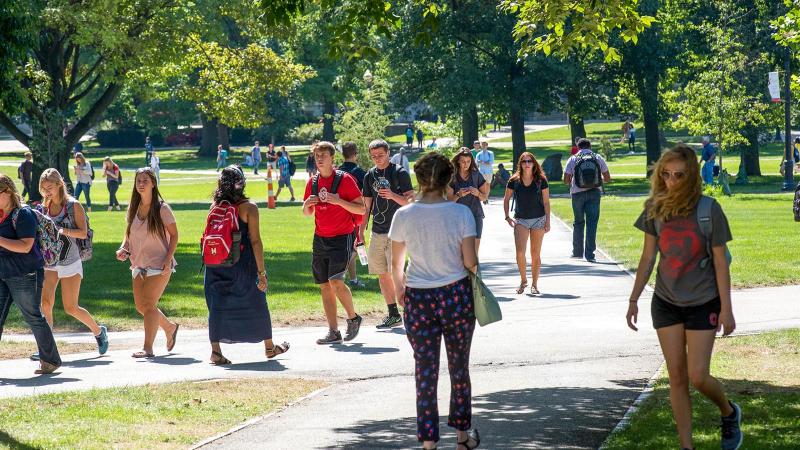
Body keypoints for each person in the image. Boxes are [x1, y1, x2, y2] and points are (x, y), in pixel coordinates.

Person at [626, 144, 742, 450]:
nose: (671, 181)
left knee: (698, 376)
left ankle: (729, 412)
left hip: (704, 302)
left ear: (691, 176)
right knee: (676, 376)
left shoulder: (708, 209)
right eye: (665, 174)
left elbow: (720, 262)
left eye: (679, 175)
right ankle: (686, 446)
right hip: (665, 301)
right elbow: (648, 258)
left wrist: (727, 310)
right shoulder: (654, 208)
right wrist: (633, 298)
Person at [389, 152, 481, 450]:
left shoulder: (403, 215)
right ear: (448, 179)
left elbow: (396, 263)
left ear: (418, 179)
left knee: (425, 371)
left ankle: (429, 442)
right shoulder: (461, 214)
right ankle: (462, 436)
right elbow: (471, 261)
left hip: (418, 296)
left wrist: (400, 289)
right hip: (455, 294)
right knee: (459, 368)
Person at [204, 166, 289, 365]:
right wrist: (261, 273)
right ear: (242, 183)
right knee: (257, 302)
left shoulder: (214, 206)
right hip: (242, 265)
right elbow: (256, 241)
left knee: (217, 306)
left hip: (215, 264)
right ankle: (269, 347)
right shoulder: (249, 208)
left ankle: (215, 352)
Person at [38, 169, 109, 358]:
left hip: (70, 260)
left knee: (71, 307)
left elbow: (83, 233)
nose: (47, 192)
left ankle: (99, 332)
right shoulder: (44, 207)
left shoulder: (73, 205)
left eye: (50, 188)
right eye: (44, 189)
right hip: (50, 261)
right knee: (45, 303)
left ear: (60, 184)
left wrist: (61, 230)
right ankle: (47, 349)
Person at [303, 141, 366, 345]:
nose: (319, 159)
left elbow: (361, 210)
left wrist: (338, 200)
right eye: (317, 155)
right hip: (320, 238)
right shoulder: (312, 182)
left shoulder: (345, 180)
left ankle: (353, 318)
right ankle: (333, 331)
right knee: (324, 286)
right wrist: (306, 205)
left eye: (323, 155)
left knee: (336, 281)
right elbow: (307, 213)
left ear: (332, 158)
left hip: (343, 236)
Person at [0, 174, 62, 375]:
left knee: (33, 317)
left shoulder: (23, 214)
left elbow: (25, 246)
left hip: (25, 274)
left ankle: (50, 360)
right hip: (2, 272)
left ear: (8, 192)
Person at [116, 167, 180, 358]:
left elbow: (175, 235)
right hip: (139, 264)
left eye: (145, 180)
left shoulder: (162, 208)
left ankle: (148, 348)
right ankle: (169, 327)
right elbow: (129, 234)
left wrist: (168, 260)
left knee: (149, 304)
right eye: (138, 181)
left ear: (153, 183)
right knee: (141, 307)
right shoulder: (134, 208)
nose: (141, 184)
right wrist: (124, 249)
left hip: (159, 264)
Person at [361, 139, 414, 329]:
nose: (377, 159)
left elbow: (410, 201)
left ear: (388, 153)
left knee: (397, 273)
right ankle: (393, 314)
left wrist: (392, 195)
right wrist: (360, 231)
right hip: (377, 231)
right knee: (382, 273)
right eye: (373, 156)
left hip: (398, 231)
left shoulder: (399, 172)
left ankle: (411, 311)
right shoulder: (369, 176)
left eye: (380, 155)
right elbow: (366, 207)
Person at [503, 152, 550, 295]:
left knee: (535, 254)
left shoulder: (541, 180)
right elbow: (506, 199)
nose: (527, 164)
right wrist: (507, 216)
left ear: (534, 163)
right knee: (520, 252)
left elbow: (546, 202)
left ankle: (534, 284)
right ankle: (524, 280)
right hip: (521, 219)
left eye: (529, 161)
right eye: (524, 162)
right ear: (520, 164)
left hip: (538, 219)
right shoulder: (514, 180)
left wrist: (548, 221)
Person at [564, 138, 611, 262]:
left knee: (578, 222)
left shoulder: (573, 159)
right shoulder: (597, 157)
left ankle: (577, 252)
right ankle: (590, 255)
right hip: (594, 193)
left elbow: (566, 180)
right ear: (590, 146)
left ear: (578, 147)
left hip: (577, 194)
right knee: (592, 223)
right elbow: (607, 178)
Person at [447, 148, 489, 255]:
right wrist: (458, 195)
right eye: (463, 162)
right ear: (458, 161)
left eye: (468, 162)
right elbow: (448, 202)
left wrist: (478, 193)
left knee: (474, 253)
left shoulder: (476, 175)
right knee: (459, 253)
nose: (466, 164)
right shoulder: (452, 177)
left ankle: (473, 272)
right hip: (457, 218)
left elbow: (485, 197)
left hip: (475, 215)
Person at [339, 142, 368, 289]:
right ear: (356, 154)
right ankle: (342, 278)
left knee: (349, 247)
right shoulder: (361, 174)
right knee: (355, 248)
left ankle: (351, 279)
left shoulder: (337, 172)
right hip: (354, 216)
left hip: (338, 215)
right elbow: (367, 199)